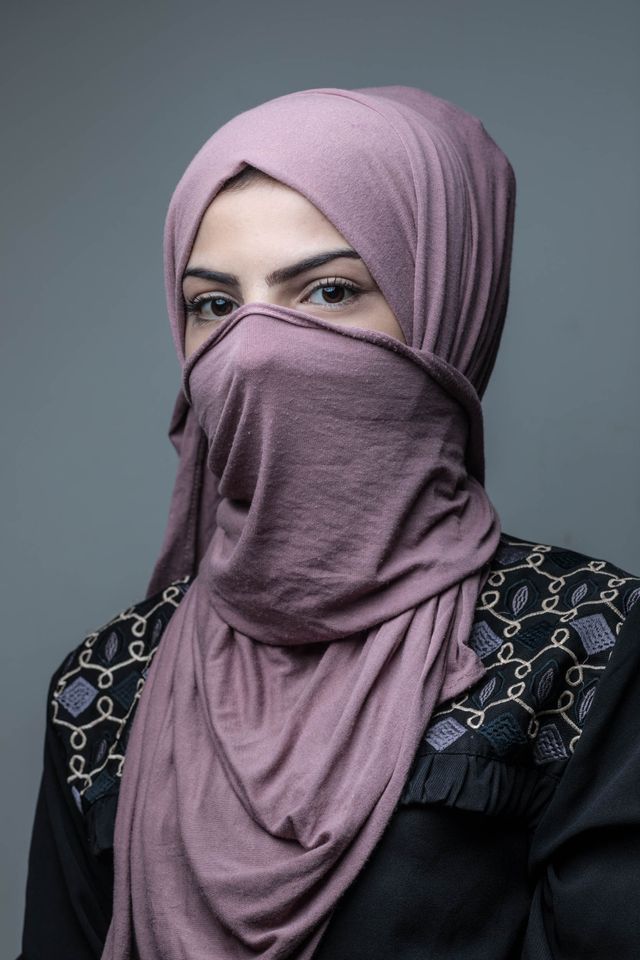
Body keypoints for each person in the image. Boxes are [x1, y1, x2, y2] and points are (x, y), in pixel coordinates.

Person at [18, 85, 640, 960]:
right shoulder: (103, 686)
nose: (258, 348)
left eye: (329, 291)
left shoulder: (586, 645)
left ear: (441, 314)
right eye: (215, 305)